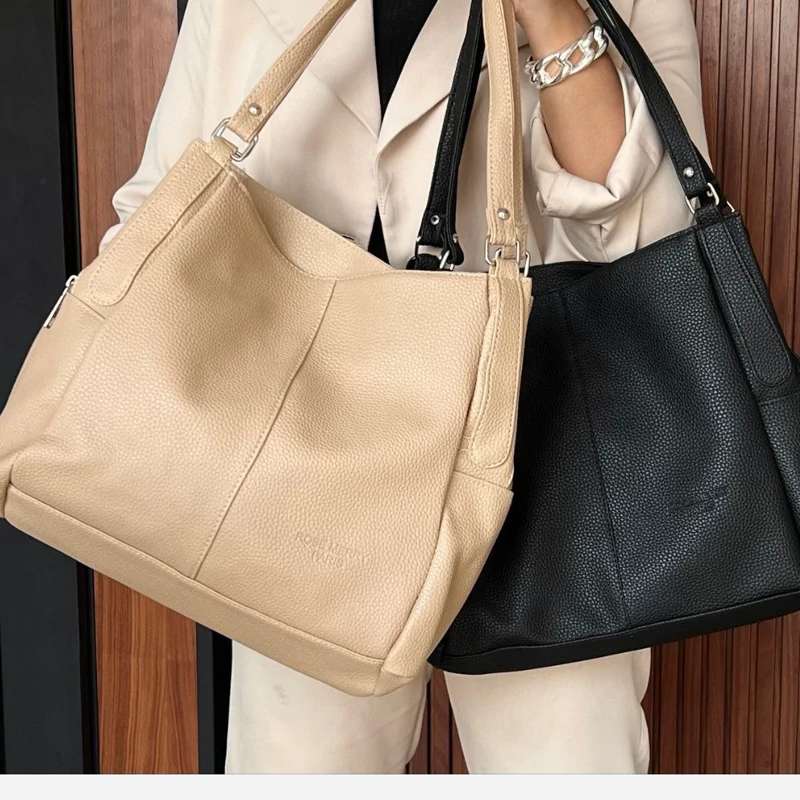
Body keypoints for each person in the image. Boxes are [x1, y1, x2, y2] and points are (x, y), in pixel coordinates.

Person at [100, 0, 710, 774]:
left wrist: (554, 17)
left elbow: (659, 236)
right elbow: (162, 208)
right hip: (300, 455)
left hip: (545, 455)